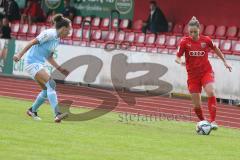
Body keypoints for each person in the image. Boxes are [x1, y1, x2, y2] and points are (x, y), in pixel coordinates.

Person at [175, 16, 232, 130]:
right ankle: (203, 123)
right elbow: (177, 57)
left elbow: (216, 49)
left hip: (206, 72)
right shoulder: (184, 42)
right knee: (197, 105)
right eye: (190, 32)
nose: (192, 34)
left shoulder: (206, 40)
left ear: (199, 30)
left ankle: (213, 121)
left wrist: (225, 61)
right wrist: (181, 61)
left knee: (211, 91)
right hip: (192, 76)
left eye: (195, 32)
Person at [13, 14, 71, 123]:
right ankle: (57, 114)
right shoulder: (49, 34)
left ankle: (32, 110)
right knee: (51, 84)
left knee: (46, 89)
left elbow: (49, 57)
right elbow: (31, 42)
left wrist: (60, 68)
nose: (69, 33)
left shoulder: (57, 39)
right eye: (68, 30)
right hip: (31, 62)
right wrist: (19, 55)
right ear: (63, 28)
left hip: (38, 63)